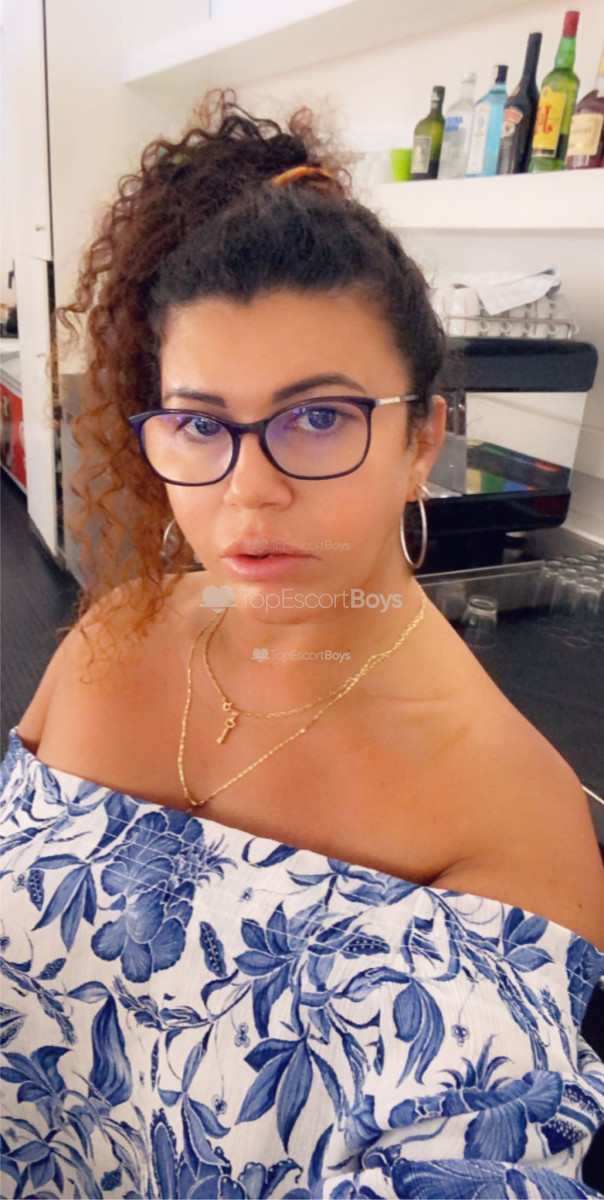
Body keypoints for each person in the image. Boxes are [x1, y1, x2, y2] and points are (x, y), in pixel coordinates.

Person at [1, 88, 603, 1200]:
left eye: (319, 417)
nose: (249, 491)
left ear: (422, 437)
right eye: (199, 424)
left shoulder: (511, 812)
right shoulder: (110, 637)